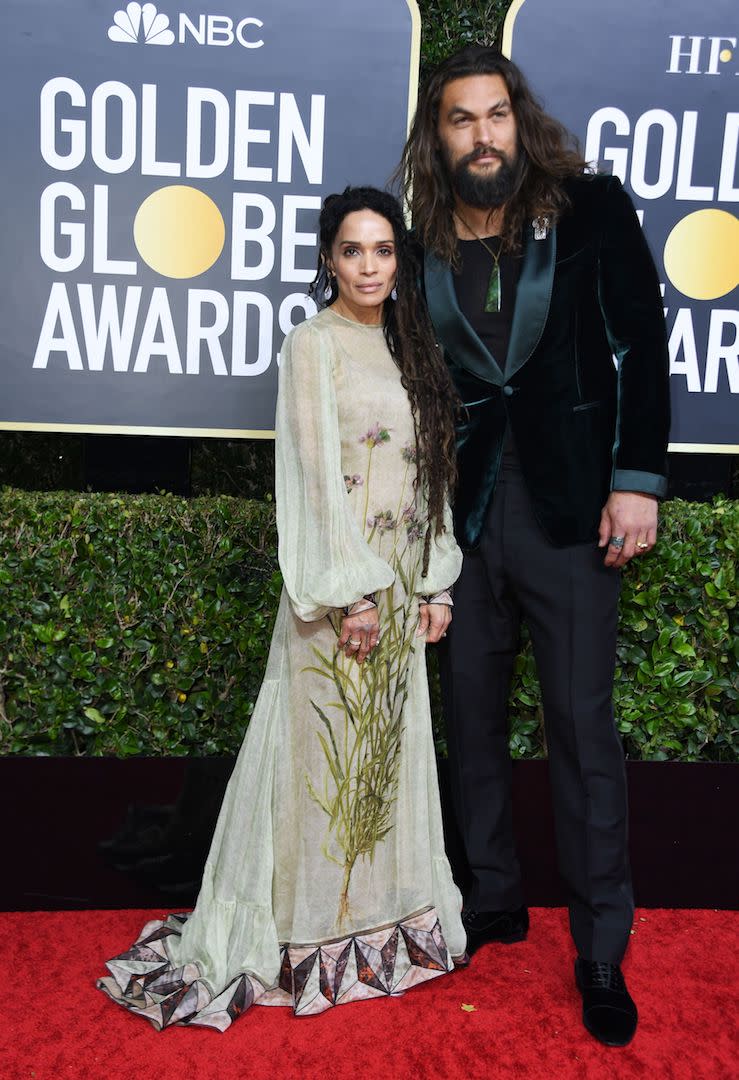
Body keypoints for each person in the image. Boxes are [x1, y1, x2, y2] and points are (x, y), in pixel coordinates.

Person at [97, 187, 467, 1030]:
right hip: (339, 601)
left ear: (400, 260)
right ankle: (306, 938)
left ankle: (376, 929)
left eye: (382, 251)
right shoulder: (312, 346)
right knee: (317, 765)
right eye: (351, 251)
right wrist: (351, 596)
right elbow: (308, 480)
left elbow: (435, 475)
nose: (368, 266)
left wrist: (436, 582)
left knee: (380, 763)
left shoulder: (417, 347)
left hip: (404, 594)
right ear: (326, 260)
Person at [397, 46, 671, 1047]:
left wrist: (634, 481)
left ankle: (601, 939)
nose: (481, 135)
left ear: (521, 119)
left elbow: (642, 342)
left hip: (570, 513)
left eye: (495, 115)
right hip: (460, 523)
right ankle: (493, 897)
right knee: (469, 720)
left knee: (581, 730)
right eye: (460, 120)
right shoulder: (418, 236)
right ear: (441, 137)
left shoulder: (592, 208)